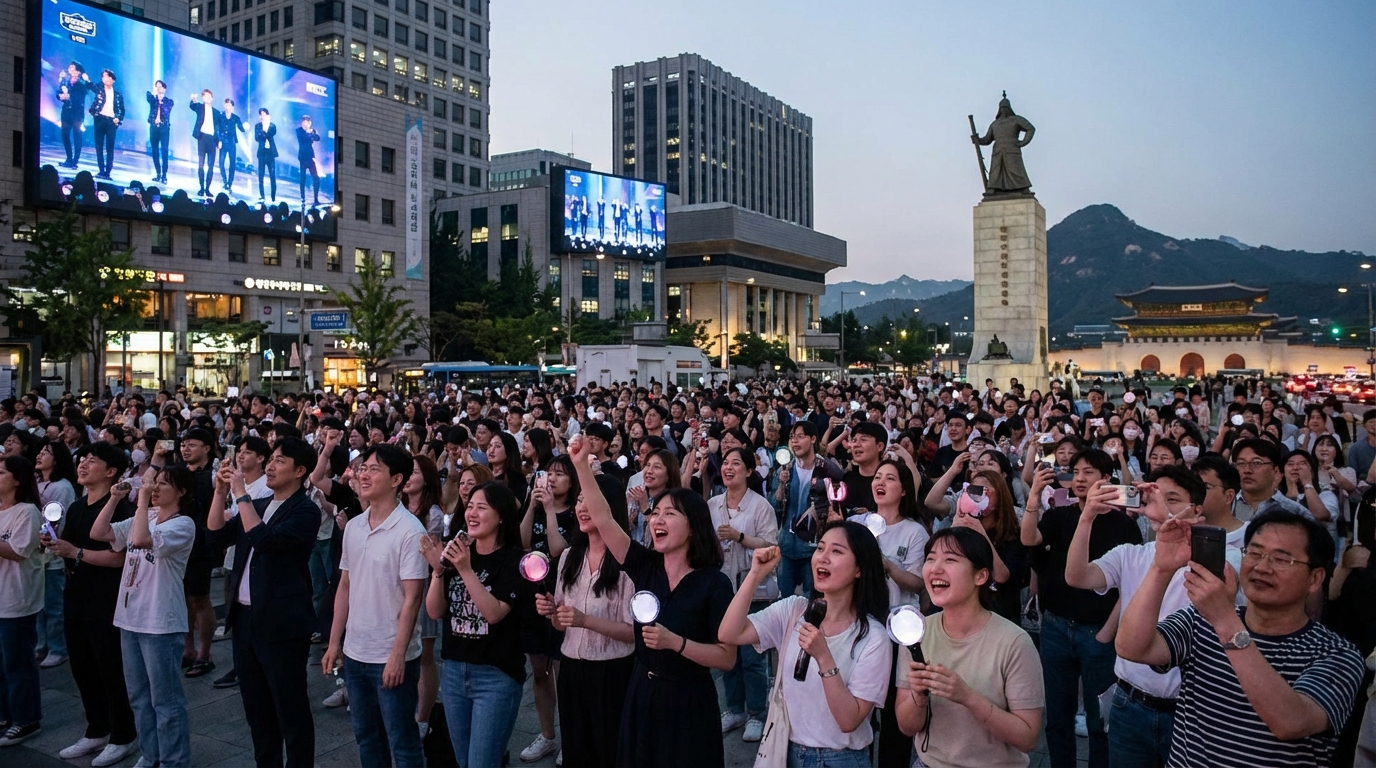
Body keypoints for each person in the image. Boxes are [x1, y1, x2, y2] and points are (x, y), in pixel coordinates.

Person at [1117, 509, 1366, 766]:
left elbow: (1290, 722)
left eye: (1281, 559)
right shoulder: (1200, 620)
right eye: (1255, 553)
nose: (1261, 567)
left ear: (1315, 579)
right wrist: (1161, 568)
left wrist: (1225, 620)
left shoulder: (1337, 654)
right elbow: (1132, 648)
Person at [570, 434, 736, 767]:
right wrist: (580, 467)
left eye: (669, 515)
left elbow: (726, 658)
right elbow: (604, 519)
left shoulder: (713, 584)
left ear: (693, 526)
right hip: (642, 693)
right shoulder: (646, 566)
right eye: (655, 513)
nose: (656, 520)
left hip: (689, 701)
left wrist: (676, 642)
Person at [1064, 465, 1243, 767]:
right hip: (1129, 702)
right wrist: (1087, 517)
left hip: (1191, 710)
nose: (1160, 506)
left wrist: (1173, 526)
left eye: (1172, 499)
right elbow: (1077, 576)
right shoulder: (1131, 553)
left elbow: (1226, 589)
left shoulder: (1224, 556)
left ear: (1197, 510)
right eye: (1155, 498)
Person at [718, 521, 894, 767]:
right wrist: (755, 574)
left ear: (859, 569)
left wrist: (824, 657)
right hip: (785, 750)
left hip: (841, 758)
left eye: (837, 551)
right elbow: (729, 634)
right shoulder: (794, 609)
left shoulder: (873, 637)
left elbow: (848, 720)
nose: (823, 558)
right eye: (820, 548)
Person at [1020, 448, 1142, 768]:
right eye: (1075, 471)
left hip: (1098, 632)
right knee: (1057, 717)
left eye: (1088, 472)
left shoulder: (1124, 526)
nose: (1079, 478)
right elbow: (1029, 538)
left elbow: (1131, 586)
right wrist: (1034, 495)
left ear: (1106, 479)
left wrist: (1107, 632)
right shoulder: (1060, 516)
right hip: (1056, 626)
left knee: (1098, 720)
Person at [205, 439, 320, 767]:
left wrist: (240, 493)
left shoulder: (305, 510)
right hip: (245, 619)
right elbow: (215, 536)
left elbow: (266, 541)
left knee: (291, 710)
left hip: (282, 622)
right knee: (257, 712)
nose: (269, 466)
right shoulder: (260, 501)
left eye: (279, 461)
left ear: (299, 471)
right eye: (270, 460)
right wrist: (219, 491)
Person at [895, 527, 1045, 768]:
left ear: (980, 576)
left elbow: (1027, 738)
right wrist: (918, 697)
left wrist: (967, 696)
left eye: (950, 559)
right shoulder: (916, 633)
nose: (935, 568)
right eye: (930, 558)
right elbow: (906, 726)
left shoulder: (1014, 642)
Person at [320, 444, 427, 767]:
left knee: (403, 742)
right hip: (355, 652)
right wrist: (334, 642)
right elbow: (345, 586)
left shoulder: (410, 531)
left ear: (396, 479)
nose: (363, 475)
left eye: (374, 469)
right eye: (363, 468)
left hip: (390, 655)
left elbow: (413, 599)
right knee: (367, 738)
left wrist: (397, 656)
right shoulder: (354, 525)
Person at [90, 466, 198, 768]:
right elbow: (99, 533)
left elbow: (139, 540)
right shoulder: (147, 516)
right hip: (130, 617)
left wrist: (141, 500)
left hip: (160, 621)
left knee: (166, 699)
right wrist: (113, 500)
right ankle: (151, 754)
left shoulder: (183, 524)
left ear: (182, 492)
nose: (155, 488)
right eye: (155, 483)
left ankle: (173, 760)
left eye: (164, 484)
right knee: (138, 696)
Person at [43, 444, 139, 766]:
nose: (82, 464)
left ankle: (124, 735)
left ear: (112, 471)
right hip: (76, 596)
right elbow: (71, 547)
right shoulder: (77, 507)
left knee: (110, 669)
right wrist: (55, 544)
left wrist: (75, 553)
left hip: (106, 600)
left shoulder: (120, 509)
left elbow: (120, 558)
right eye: (82, 459)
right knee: (82, 668)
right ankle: (97, 728)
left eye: (92, 461)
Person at [422, 481, 527, 768]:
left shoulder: (514, 560)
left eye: (482, 507)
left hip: (496, 675)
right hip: (455, 670)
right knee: (464, 761)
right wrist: (439, 571)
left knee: (482, 762)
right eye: (470, 506)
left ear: (501, 515)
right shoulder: (459, 554)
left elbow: (494, 613)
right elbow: (435, 611)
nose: (472, 513)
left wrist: (466, 569)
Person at [535, 473, 635, 768]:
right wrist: (553, 612)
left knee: (610, 751)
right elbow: (560, 625)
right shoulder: (569, 556)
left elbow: (633, 633)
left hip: (613, 672)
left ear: (609, 508)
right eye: (579, 500)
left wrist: (584, 620)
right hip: (572, 669)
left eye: (589, 501)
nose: (581, 507)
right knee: (576, 752)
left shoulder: (627, 561)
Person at [710, 447, 780, 743]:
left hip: (752, 590)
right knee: (727, 651)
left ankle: (756, 713)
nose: (728, 467)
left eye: (736, 463)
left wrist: (739, 537)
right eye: (725, 463)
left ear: (749, 472)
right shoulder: (712, 504)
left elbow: (770, 544)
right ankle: (734, 708)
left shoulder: (761, 506)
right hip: (721, 587)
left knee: (752, 655)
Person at [516, 455, 577, 762]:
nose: (552, 479)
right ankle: (547, 734)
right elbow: (523, 540)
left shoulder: (575, 513)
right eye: (549, 473)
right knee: (539, 672)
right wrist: (533, 504)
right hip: (533, 599)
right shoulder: (538, 505)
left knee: (561, 672)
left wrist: (550, 509)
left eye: (560, 475)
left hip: (562, 599)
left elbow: (556, 549)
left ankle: (570, 736)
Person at [0, 455, 44, 747]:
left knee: (17, 662)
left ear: (17, 479)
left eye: (1, 472)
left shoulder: (26, 511)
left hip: (16, 599)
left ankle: (26, 719)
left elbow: (18, 550)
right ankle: (6, 714)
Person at [774, 422, 844, 599]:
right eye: (792, 437)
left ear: (813, 439)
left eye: (800, 436)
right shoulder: (786, 468)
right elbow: (775, 504)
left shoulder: (828, 469)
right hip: (787, 545)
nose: (795, 442)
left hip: (814, 546)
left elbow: (838, 505)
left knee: (812, 597)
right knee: (784, 597)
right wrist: (781, 484)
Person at [35, 440, 77, 669]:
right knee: (38, 604)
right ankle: (40, 644)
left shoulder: (61, 486)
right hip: (36, 553)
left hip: (53, 554)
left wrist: (49, 542)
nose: (40, 455)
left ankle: (57, 648)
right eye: (40, 451)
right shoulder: (37, 482)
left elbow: (58, 520)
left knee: (53, 605)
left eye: (46, 453)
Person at [1232, 439, 1310, 521]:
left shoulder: (1295, 512)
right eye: (1241, 463)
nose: (1247, 470)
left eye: (1256, 463)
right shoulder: (1225, 506)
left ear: (1275, 471)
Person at [87, 69, 124, 180]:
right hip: (99, 119)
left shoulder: (117, 95)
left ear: (112, 79)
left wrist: (118, 118)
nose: (105, 78)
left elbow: (122, 110)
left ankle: (108, 172)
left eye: (107, 76)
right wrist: (87, 79)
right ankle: (101, 170)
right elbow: (91, 86)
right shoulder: (99, 89)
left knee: (110, 148)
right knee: (99, 146)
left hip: (111, 122)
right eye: (103, 76)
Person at [56, 61, 92, 168]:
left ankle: (75, 161)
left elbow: (80, 97)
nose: (70, 68)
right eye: (70, 66)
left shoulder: (82, 83)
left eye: (73, 67)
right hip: (66, 111)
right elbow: (58, 92)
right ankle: (69, 158)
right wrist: (60, 96)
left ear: (78, 71)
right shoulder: (65, 81)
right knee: (65, 134)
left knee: (77, 135)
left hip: (77, 113)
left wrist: (69, 97)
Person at [189, 89, 221, 197]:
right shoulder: (199, 107)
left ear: (212, 98)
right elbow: (192, 106)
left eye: (210, 96)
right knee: (201, 164)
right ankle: (201, 188)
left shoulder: (216, 112)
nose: (208, 98)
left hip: (212, 139)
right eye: (206, 96)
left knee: (211, 166)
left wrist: (219, 140)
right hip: (202, 137)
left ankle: (207, 189)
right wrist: (193, 99)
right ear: (203, 98)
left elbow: (218, 128)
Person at [144, 80, 173, 184]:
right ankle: (158, 174)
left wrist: (160, 101)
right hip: (153, 127)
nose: (158, 88)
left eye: (160, 87)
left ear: (164, 89)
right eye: (157, 86)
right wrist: (155, 95)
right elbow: (148, 97)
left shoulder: (169, 101)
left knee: (164, 151)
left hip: (164, 128)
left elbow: (166, 112)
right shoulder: (153, 99)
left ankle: (164, 175)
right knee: (154, 150)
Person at [217, 98, 245, 193]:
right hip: (223, 142)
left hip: (232, 142)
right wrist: (219, 140)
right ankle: (224, 181)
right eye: (226, 104)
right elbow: (218, 129)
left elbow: (241, 128)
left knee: (232, 164)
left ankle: (229, 183)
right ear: (224, 105)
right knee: (221, 162)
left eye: (229, 105)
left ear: (232, 107)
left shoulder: (236, 118)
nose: (228, 107)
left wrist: (245, 127)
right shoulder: (220, 116)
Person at [255, 108, 279, 202]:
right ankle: (262, 195)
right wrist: (263, 130)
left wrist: (265, 128)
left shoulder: (272, 126)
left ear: (268, 116)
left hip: (270, 153)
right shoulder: (257, 126)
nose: (262, 116)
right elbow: (257, 138)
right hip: (261, 152)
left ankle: (273, 197)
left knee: (272, 175)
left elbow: (271, 133)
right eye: (261, 114)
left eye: (264, 114)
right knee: (260, 175)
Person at [296, 116, 321, 205]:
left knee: (316, 178)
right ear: (302, 122)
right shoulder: (299, 130)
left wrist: (311, 133)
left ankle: (316, 199)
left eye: (308, 122)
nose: (306, 124)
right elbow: (303, 139)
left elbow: (318, 138)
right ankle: (303, 198)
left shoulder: (312, 130)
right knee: (303, 178)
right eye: (304, 122)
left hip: (310, 157)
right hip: (302, 157)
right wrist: (309, 134)